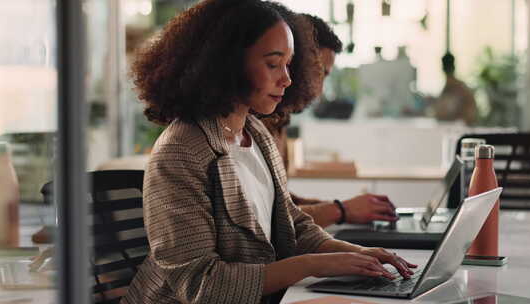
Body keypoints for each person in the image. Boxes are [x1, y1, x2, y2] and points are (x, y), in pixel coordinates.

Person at [121, 1, 416, 303]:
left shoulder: (255, 132)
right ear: (227, 63)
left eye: (288, 64)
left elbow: (293, 224)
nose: (287, 79)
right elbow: (201, 285)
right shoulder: (181, 153)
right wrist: (314, 265)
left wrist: (359, 255)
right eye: (273, 64)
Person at [261, 14, 398, 228]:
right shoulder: (252, 126)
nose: (320, 89)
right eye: (320, 73)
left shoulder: (279, 122)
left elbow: (281, 202)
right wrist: (340, 210)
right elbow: (266, 219)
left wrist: (342, 208)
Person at [433, 52, 477, 125]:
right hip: (449, 128)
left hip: (460, 129)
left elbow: (470, 116)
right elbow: (439, 114)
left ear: (442, 68)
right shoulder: (448, 89)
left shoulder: (462, 89)